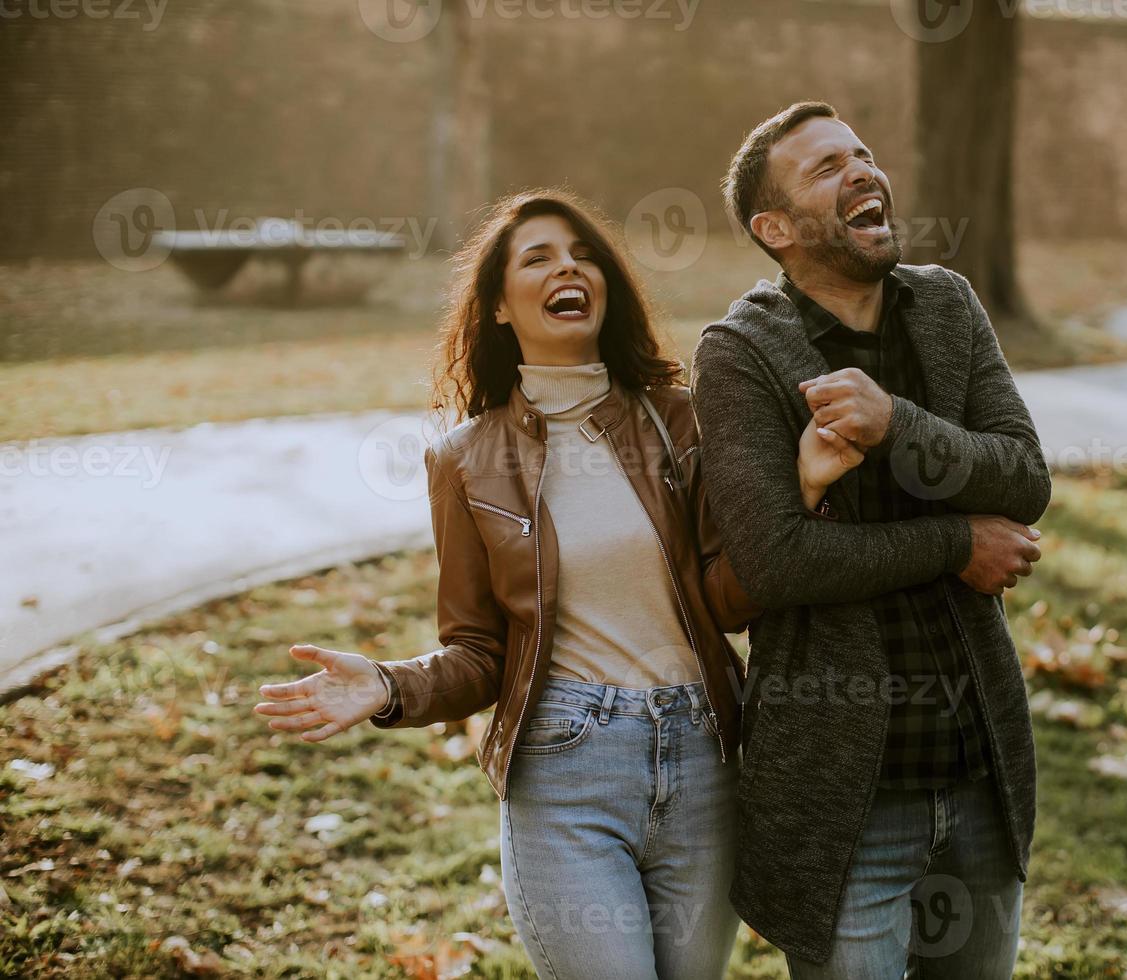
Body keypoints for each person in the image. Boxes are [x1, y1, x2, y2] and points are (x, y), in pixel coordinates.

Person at [252, 189, 863, 979]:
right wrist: (388, 687)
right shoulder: (467, 460)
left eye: (581, 255)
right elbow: (477, 652)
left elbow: (726, 599)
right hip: (566, 769)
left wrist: (803, 493)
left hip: (706, 756)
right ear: (500, 306)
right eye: (536, 258)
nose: (567, 267)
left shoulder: (680, 421)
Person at [690, 101, 1051, 978]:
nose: (861, 171)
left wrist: (897, 424)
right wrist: (955, 542)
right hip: (843, 797)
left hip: (978, 764)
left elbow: (1024, 478)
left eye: (862, 154)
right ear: (774, 228)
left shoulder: (948, 305)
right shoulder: (741, 353)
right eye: (825, 168)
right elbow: (776, 561)